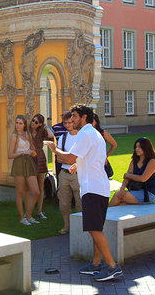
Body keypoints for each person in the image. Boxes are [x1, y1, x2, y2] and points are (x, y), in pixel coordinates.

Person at [45, 103, 123, 282]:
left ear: (84, 117)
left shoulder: (86, 134)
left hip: (93, 188)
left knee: (95, 229)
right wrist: (76, 164)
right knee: (96, 228)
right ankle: (96, 263)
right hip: (98, 187)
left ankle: (112, 266)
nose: (71, 119)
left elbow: (69, 156)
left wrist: (54, 149)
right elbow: (90, 158)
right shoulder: (93, 133)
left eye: (74, 116)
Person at [8, 114, 40, 225]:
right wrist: (21, 152)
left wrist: (31, 152)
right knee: (20, 192)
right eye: (16, 123)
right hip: (19, 162)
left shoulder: (28, 135)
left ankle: (28, 215)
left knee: (36, 191)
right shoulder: (14, 136)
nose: (18, 125)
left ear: (25, 124)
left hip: (29, 162)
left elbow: (34, 151)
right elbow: (9, 155)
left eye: (20, 123)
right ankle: (22, 218)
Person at [109, 137, 155, 206]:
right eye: (136, 147)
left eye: (139, 147)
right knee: (121, 204)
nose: (137, 149)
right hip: (136, 191)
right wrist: (122, 189)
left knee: (117, 196)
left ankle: (104, 213)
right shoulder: (134, 161)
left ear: (146, 148)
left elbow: (143, 178)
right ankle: (106, 214)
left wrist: (128, 175)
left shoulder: (152, 161)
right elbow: (127, 178)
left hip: (149, 194)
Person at [55, 112, 81, 234]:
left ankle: (80, 225)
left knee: (80, 201)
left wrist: (69, 159)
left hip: (78, 173)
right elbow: (58, 158)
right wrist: (70, 159)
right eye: (65, 123)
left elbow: (82, 157)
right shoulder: (63, 137)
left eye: (70, 122)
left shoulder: (82, 137)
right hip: (64, 173)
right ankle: (66, 225)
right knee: (64, 202)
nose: (67, 125)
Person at [30, 113, 54, 219]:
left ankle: (40, 211)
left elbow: (51, 136)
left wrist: (45, 126)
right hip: (30, 157)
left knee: (40, 186)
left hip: (40, 158)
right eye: (32, 120)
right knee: (30, 186)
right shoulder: (28, 132)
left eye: (36, 122)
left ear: (40, 124)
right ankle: (29, 209)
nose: (33, 123)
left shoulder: (42, 132)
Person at [92, 113, 118, 179]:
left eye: (92, 120)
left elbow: (114, 144)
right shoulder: (86, 133)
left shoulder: (103, 133)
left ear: (96, 121)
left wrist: (106, 155)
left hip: (101, 161)